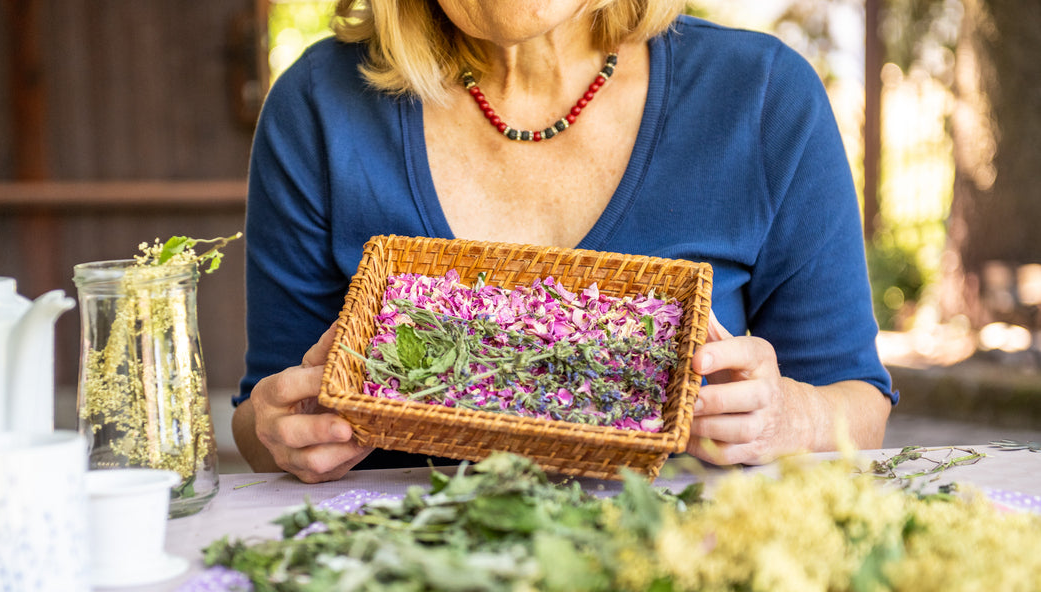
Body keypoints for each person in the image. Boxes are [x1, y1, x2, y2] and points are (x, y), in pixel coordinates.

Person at [233, 0, 895, 483]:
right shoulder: (317, 107)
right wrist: (282, 430)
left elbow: (858, 407)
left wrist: (787, 417)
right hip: (411, 590)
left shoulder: (762, 96)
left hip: (689, 567)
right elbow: (261, 419)